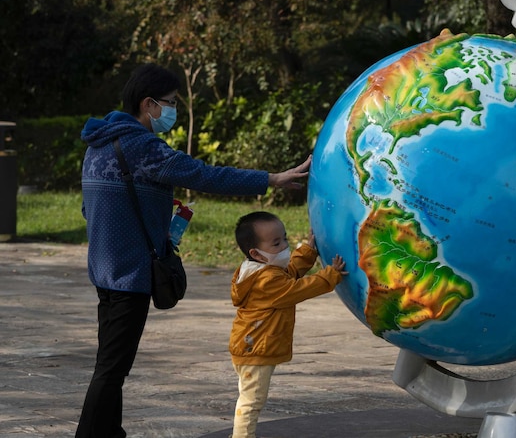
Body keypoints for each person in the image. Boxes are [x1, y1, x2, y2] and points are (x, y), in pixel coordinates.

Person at [76, 63, 313, 438]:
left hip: (104, 270)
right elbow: (206, 175)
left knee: (111, 364)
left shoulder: (99, 142)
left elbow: (91, 209)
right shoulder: (144, 146)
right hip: (130, 274)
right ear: (148, 104)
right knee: (111, 368)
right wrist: (272, 179)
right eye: (169, 103)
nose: (172, 112)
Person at [230, 211, 346, 437]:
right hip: (256, 349)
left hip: (251, 346)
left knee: (249, 397)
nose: (284, 245)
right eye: (276, 243)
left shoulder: (262, 270)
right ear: (256, 253)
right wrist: (329, 276)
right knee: (251, 401)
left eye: (285, 238)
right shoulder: (266, 281)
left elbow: (289, 273)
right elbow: (297, 289)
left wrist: (308, 251)